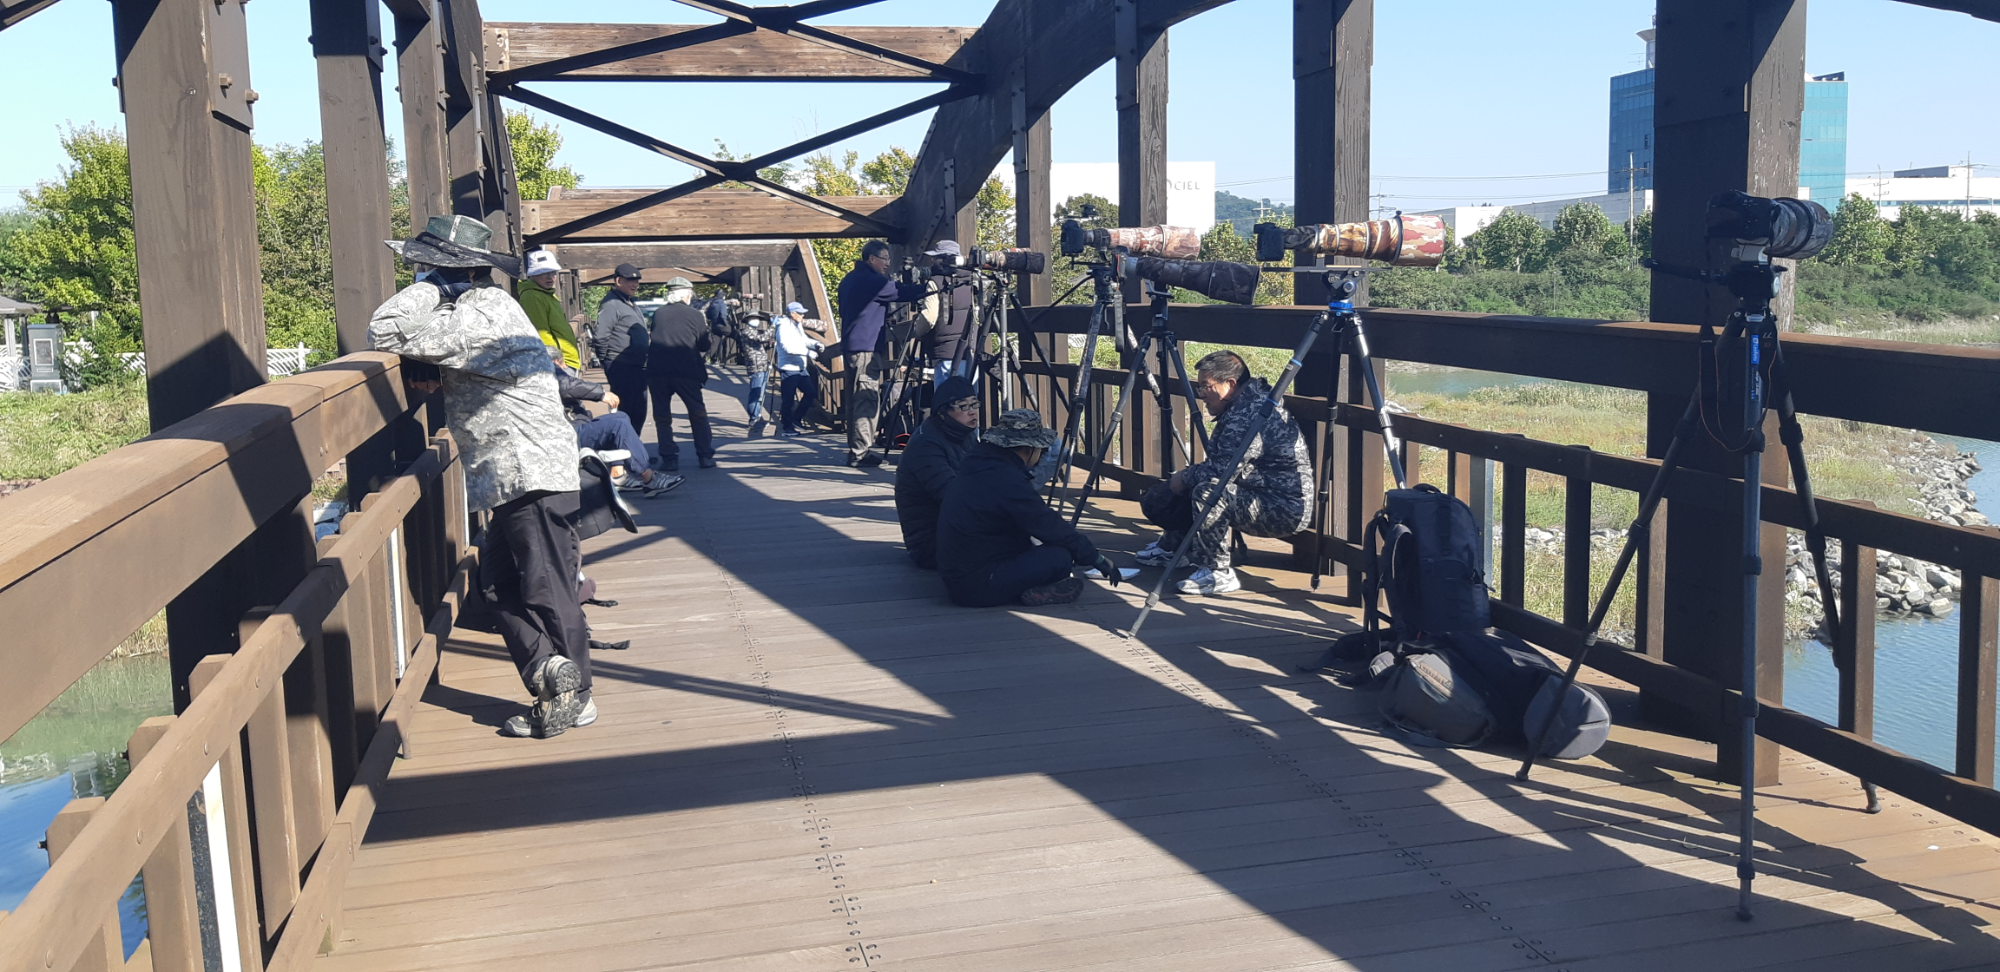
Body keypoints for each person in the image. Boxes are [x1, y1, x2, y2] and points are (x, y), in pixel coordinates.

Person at [369, 214, 594, 738]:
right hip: (517, 470)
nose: (420, 272)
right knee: (496, 584)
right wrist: (428, 363)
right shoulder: (479, 310)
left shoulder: (483, 312)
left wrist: (430, 289)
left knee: (546, 586)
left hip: (529, 469)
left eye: (427, 265)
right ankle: (549, 674)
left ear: (454, 271)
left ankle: (578, 698)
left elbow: (385, 326)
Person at [1133, 350, 1314, 595]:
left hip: (1282, 507)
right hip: (1257, 493)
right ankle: (1172, 548)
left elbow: (1222, 471)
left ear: (1230, 384)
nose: (1201, 395)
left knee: (1209, 490)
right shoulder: (1247, 404)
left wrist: (1182, 478)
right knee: (1198, 482)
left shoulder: (1250, 413)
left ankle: (1217, 571)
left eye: (1205, 387)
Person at [936, 408, 1122, 607]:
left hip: (959, 574)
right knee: (1060, 557)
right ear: (1028, 449)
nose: (1041, 455)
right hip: (979, 584)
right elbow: (1047, 524)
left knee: (1037, 548)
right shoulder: (1008, 481)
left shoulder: (978, 464)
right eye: (1041, 449)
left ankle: (1029, 588)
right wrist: (1096, 558)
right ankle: (1032, 590)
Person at [833, 240, 927, 467]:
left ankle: (856, 449)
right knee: (867, 398)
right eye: (885, 259)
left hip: (852, 346)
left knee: (855, 400)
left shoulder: (849, 279)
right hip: (866, 348)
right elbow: (902, 292)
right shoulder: (873, 281)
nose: (887, 264)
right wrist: (932, 286)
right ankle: (860, 453)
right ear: (872, 259)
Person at [553, 350, 682, 497]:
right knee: (617, 424)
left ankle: (618, 474)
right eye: (562, 364)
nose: (565, 368)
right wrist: (601, 393)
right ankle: (649, 478)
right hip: (568, 432)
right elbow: (566, 385)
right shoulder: (548, 371)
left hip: (571, 427)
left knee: (620, 418)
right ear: (556, 362)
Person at [893, 376, 978, 570]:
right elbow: (950, 495)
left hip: (956, 528)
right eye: (963, 406)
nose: (972, 411)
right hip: (931, 542)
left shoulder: (962, 432)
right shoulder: (926, 445)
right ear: (942, 412)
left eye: (974, 404)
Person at [646, 276, 715, 470]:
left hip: (658, 371)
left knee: (662, 416)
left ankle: (669, 459)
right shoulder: (695, 315)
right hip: (686, 370)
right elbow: (704, 344)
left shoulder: (658, 313)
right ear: (687, 295)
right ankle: (705, 455)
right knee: (697, 412)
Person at [594, 263, 651, 437]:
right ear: (618, 281)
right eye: (630, 281)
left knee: (638, 411)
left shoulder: (629, 302)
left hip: (637, 365)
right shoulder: (611, 304)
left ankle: (633, 447)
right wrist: (605, 360)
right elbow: (601, 336)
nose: (635, 284)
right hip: (621, 364)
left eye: (637, 281)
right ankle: (624, 448)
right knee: (626, 410)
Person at [919, 240, 978, 388]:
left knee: (946, 399)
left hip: (945, 353)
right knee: (968, 398)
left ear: (942, 259)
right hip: (970, 351)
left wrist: (916, 331)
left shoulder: (936, 282)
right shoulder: (973, 280)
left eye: (935, 258)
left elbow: (929, 318)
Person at [519, 249, 580, 371]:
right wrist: (555, 361)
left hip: (567, 360)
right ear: (532, 275)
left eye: (553, 272)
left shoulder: (547, 294)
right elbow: (541, 332)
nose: (550, 277)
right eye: (543, 273)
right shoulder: (532, 296)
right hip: (559, 363)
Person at [774, 301, 825, 436]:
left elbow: (804, 341)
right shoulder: (783, 326)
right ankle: (787, 427)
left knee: (810, 393)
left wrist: (816, 344)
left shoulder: (797, 325)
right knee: (788, 399)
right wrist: (807, 352)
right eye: (800, 313)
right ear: (792, 313)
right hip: (789, 368)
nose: (803, 315)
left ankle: (796, 419)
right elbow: (787, 347)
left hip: (801, 368)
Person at [736, 308, 775, 432]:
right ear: (748, 320)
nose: (756, 320)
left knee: (761, 393)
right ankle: (754, 418)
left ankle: (757, 415)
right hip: (755, 366)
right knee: (756, 392)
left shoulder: (754, 332)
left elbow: (762, 342)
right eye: (753, 318)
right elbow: (761, 338)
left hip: (762, 365)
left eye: (757, 318)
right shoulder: (747, 332)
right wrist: (773, 327)